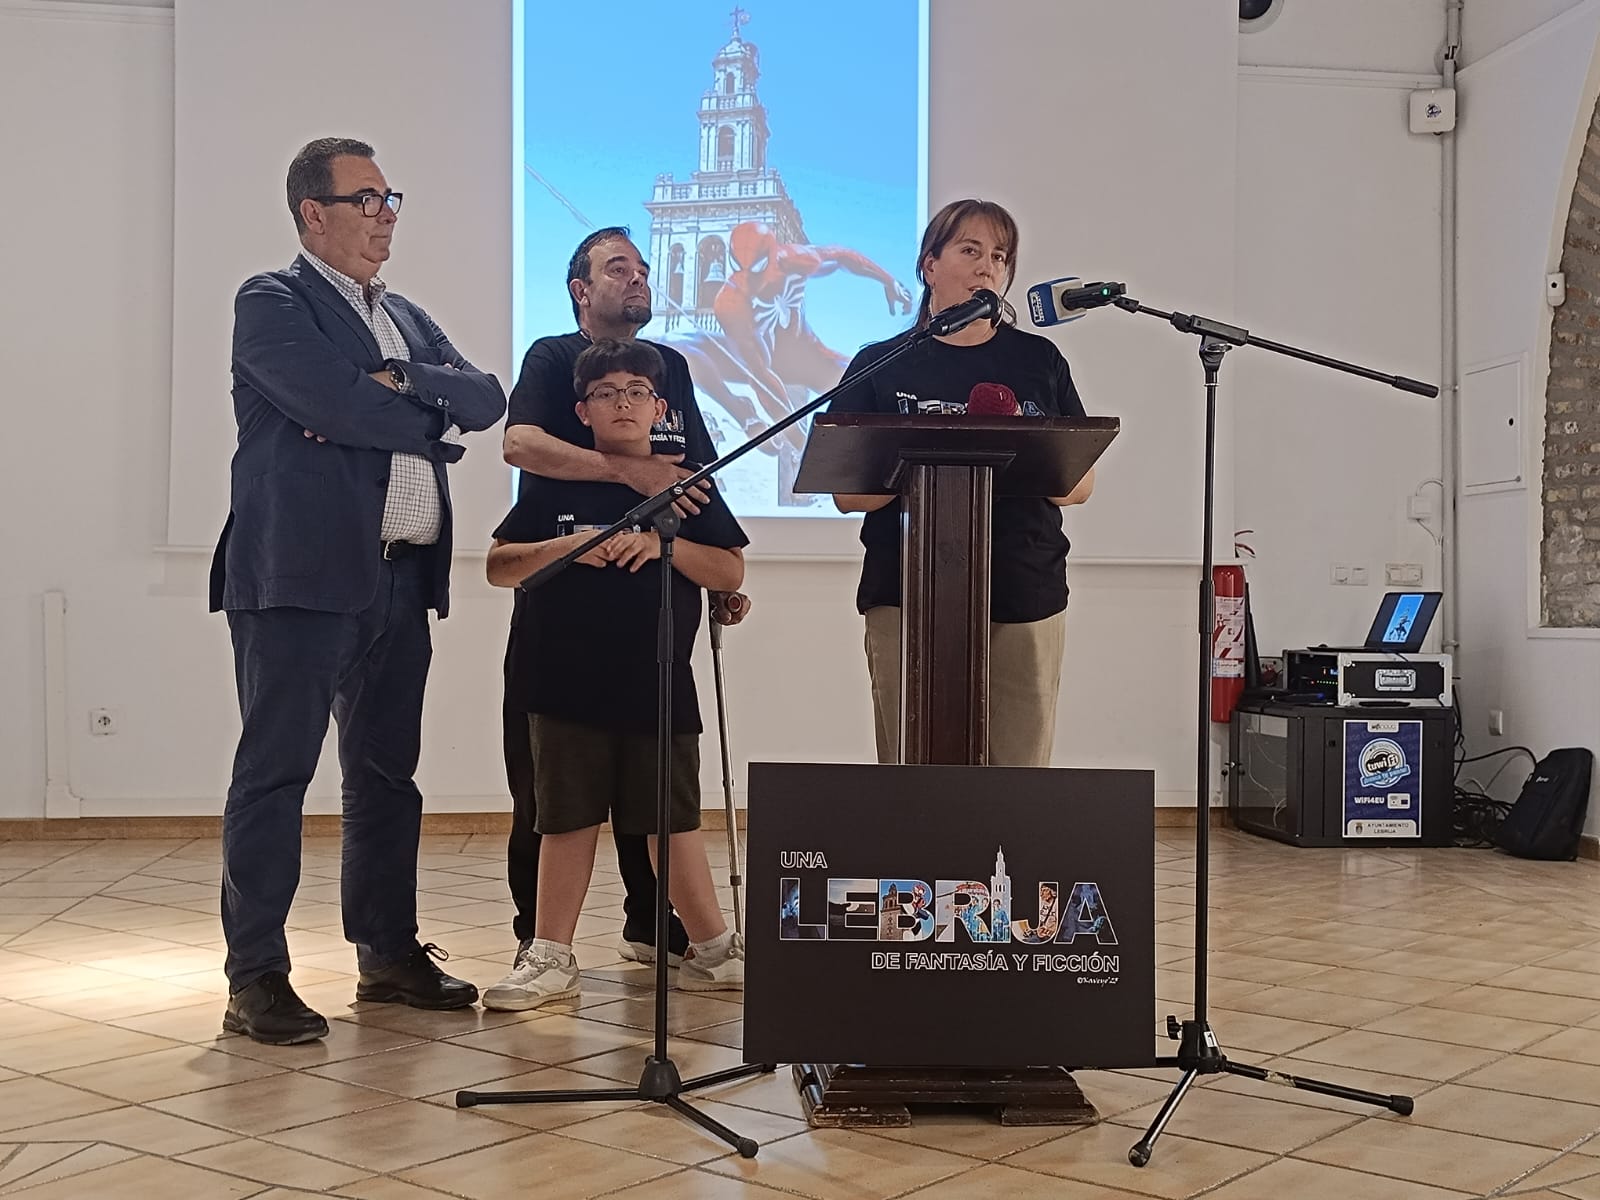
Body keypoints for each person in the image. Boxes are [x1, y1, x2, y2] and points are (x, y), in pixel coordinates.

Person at [210, 137, 506, 1043]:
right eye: (367, 199)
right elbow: (334, 405)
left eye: (390, 199)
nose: (386, 216)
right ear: (314, 213)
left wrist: (403, 381)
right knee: (276, 773)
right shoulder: (272, 300)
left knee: (385, 777)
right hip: (299, 576)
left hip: (400, 577)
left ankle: (388, 956)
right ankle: (256, 977)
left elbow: (485, 398)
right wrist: (422, 422)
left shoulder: (404, 316)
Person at [494, 228, 748, 1003]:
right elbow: (519, 446)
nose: (637, 278)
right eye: (617, 268)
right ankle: (542, 945)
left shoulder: (673, 366)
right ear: (581, 288)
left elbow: (695, 484)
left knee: (662, 806)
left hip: (654, 649)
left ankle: (667, 931)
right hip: (562, 649)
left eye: (642, 269)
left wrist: (700, 567)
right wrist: (624, 479)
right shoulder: (550, 358)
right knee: (554, 800)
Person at [828, 199, 1095, 767]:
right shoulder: (882, 363)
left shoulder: (1038, 360)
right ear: (929, 265)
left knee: (1017, 776)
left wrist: (1019, 436)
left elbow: (1077, 485)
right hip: (906, 588)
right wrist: (923, 453)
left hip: (1022, 586)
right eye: (970, 250)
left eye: (999, 256)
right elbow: (849, 494)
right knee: (912, 773)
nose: (987, 267)